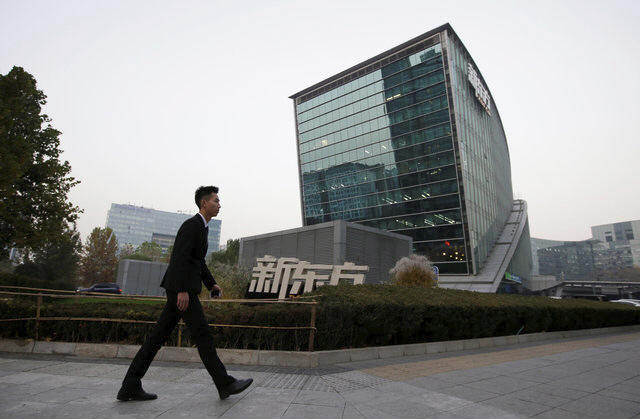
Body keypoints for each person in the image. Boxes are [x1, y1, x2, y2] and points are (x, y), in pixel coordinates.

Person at [117, 186, 252, 401]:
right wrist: (182, 289)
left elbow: (197, 261)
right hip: (181, 290)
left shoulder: (203, 227)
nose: (219, 205)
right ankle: (224, 383)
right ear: (204, 203)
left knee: (156, 338)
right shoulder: (192, 225)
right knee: (203, 334)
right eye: (216, 201)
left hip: (180, 289)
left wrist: (212, 284)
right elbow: (179, 257)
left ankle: (130, 385)